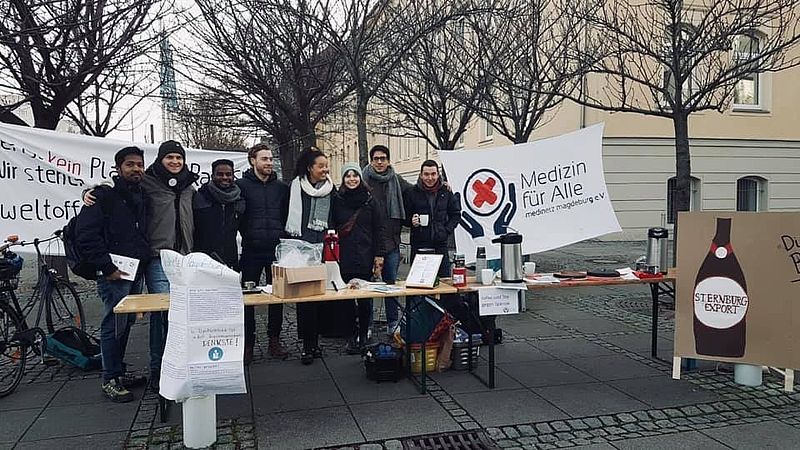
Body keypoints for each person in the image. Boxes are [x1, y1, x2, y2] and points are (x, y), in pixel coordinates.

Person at [75, 146, 150, 402]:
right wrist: (107, 267)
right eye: (130, 164)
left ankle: (118, 371)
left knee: (125, 323)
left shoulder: (141, 193)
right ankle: (110, 379)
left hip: (134, 270)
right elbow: (86, 234)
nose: (136, 169)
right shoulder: (103, 196)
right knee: (112, 324)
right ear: (119, 168)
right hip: (113, 273)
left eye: (139, 164)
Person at [140, 140, 198, 387]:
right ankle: (159, 368)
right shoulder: (147, 182)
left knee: (184, 313)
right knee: (162, 313)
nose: (175, 162)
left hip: (185, 257)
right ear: (161, 159)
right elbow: (115, 190)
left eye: (179, 157)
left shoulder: (189, 187)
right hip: (159, 258)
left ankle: (181, 364)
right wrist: (89, 192)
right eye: (170, 157)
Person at [238, 144, 290, 363]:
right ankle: (248, 344)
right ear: (253, 161)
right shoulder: (241, 186)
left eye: (270, 159)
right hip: (251, 250)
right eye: (264, 159)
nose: (269, 162)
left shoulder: (281, 188)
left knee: (277, 297)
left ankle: (274, 340)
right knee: (248, 298)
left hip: (276, 250)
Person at [286, 147, 334, 365]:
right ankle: (307, 345)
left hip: (324, 248)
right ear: (309, 168)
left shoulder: (330, 189)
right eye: (321, 166)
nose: (325, 170)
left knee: (320, 298)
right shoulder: (296, 188)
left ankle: (317, 342)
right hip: (302, 249)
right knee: (305, 299)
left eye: (326, 166)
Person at [331, 162, 386, 354]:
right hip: (343, 256)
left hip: (365, 254)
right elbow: (332, 227)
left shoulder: (370, 201)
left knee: (364, 300)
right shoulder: (337, 200)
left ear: (360, 178)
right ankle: (351, 336)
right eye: (348, 176)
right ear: (343, 179)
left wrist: (379, 255)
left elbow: (379, 229)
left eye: (355, 175)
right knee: (346, 299)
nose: (352, 179)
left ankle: (363, 335)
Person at [361, 145, 412, 334]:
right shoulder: (362, 180)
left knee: (391, 286)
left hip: (391, 241)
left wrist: (443, 184)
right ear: (371, 161)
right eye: (376, 159)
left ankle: (392, 323)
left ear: (388, 160)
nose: (380, 162)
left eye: (383, 158)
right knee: (366, 287)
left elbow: (415, 190)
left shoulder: (396, 179)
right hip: (368, 243)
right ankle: (366, 325)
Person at [403, 159, 461, 278]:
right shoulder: (411, 192)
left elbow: (456, 214)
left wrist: (446, 230)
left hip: (440, 244)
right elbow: (404, 216)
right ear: (421, 175)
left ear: (438, 175)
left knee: (444, 281)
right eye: (426, 174)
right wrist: (411, 221)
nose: (430, 178)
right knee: (418, 280)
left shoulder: (446, 192)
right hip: (419, 244)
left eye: (433, 174)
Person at [193, 159, 245, 269]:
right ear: (212, 176)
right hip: (203, 261)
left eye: (228, 174)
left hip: (230, 260)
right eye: (220, 174)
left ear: (233, 176)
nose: (225, 177)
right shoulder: (199, 197)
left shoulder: (239, 200)